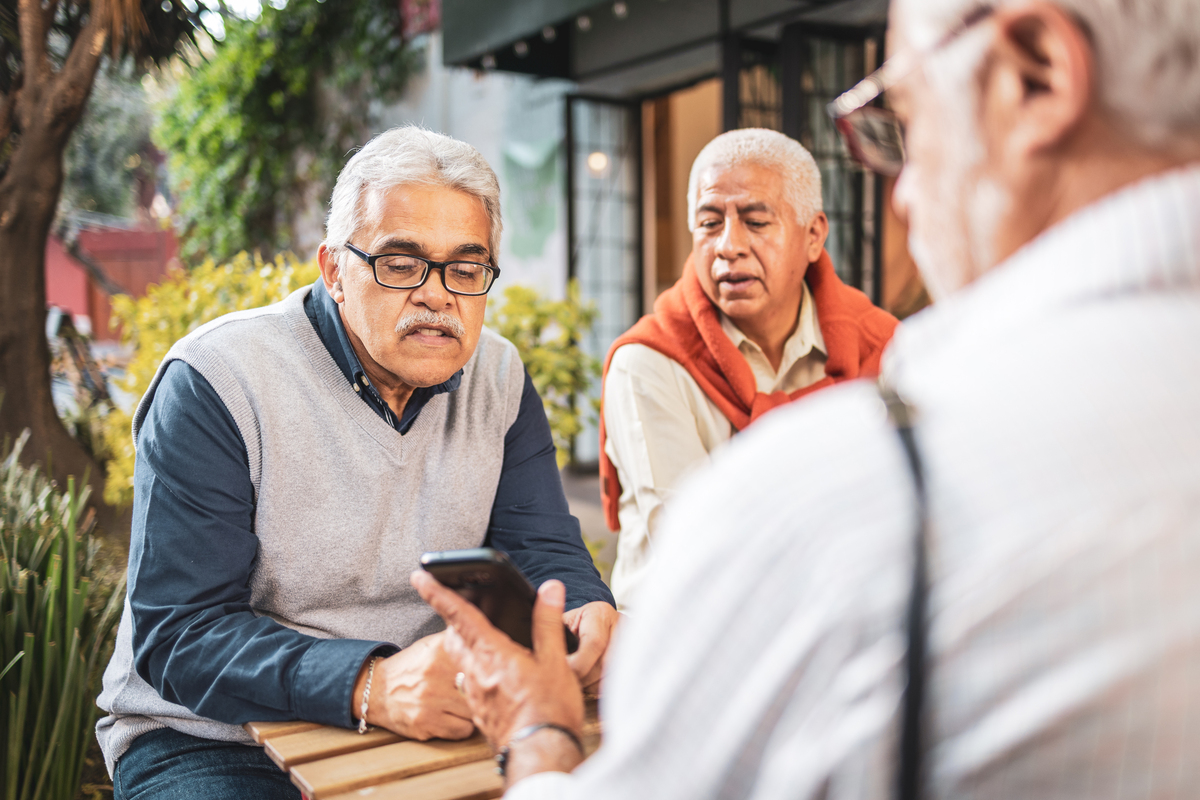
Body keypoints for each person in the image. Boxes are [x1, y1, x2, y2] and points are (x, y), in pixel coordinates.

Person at [413, 0, 1200, 797]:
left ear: (1036, 75)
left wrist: (539, 735)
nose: (900, 194)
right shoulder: (662, 366)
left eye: (905, 115)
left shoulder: (846, 493)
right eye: (708, 223)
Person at [96, 127, 618, 799]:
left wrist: (581, 611)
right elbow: (182, 635)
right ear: (334, 270)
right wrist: (371, 683)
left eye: (466, 267)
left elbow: (544, 548)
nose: (438, 295)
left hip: (432, 710)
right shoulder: (216, 380)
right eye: (401, 263)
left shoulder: (500, 377)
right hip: (214, 737)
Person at [600, 129, 898, 608]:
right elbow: (697, 547)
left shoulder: (880, 347)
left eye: (756, 221)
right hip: (682, 630)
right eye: (710, 222)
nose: (728, 246)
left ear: (814, 235)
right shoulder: (649, 362)